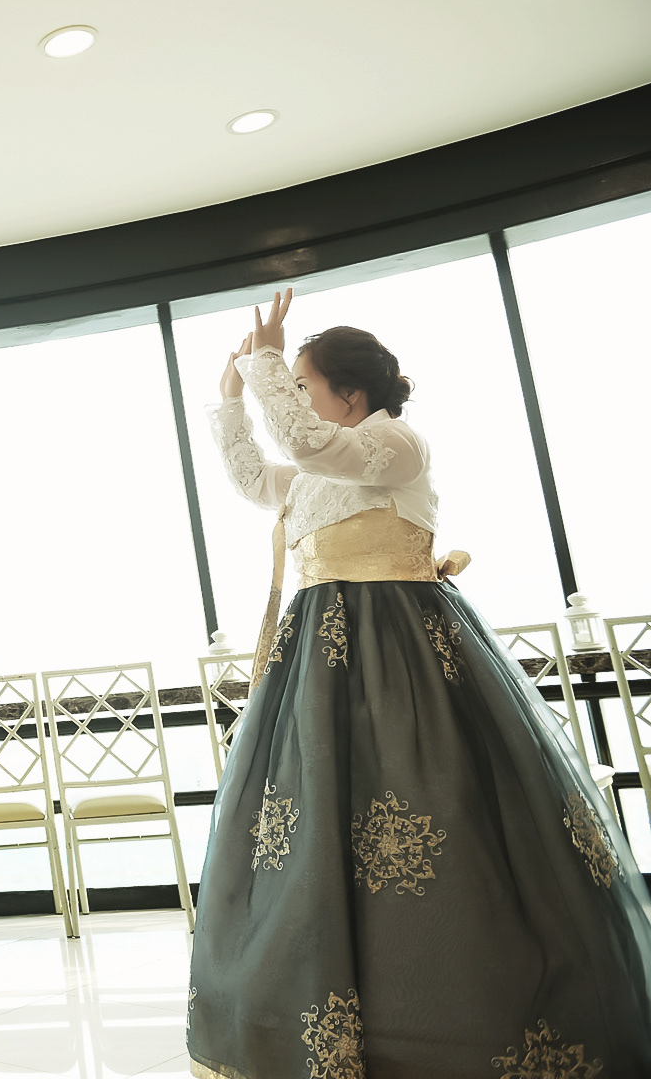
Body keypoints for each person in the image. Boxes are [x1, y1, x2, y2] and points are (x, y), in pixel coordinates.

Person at [188, 289, 651, 1078]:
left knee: (430, 803)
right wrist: (233, 396)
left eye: (303, 384)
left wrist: (266, 359)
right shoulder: (321, 469)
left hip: (401, 652)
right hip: (319, 666)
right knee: (321, 821)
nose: (293, 398)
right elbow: (255, 477)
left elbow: (303, 443)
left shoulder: (394, 443)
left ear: (350, 393)